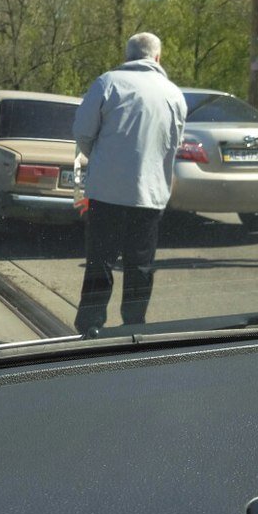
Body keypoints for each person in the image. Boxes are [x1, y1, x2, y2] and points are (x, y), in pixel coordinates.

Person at [71, 33, 187, 336]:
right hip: (149, 195)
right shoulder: (174, 94)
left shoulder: (107, 83)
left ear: (128, 55)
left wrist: (101, 158)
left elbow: (82, 132)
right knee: (141, 264)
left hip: (107, 192)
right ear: (157, 58)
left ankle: (91, 325)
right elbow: (174, 144)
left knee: (101, 261)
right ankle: (134, 325)